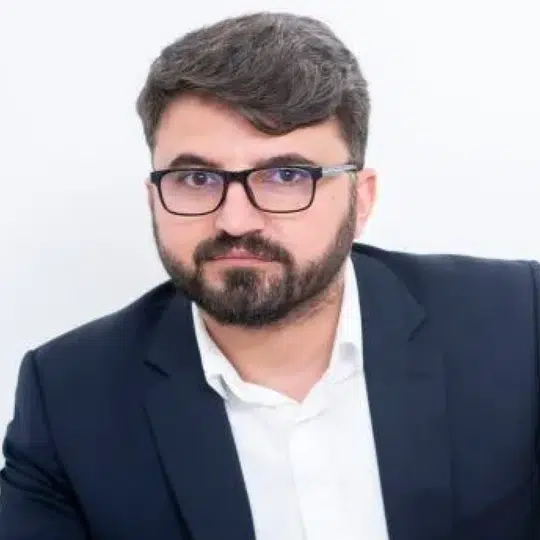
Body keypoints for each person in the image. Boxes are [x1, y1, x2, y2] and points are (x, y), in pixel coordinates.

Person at [0, 11, 539, 540]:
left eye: (285, 175)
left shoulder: (519, 324)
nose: (235, 221)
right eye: (196, 178)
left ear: (361, 198)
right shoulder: (67, 399)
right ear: (154, 198)